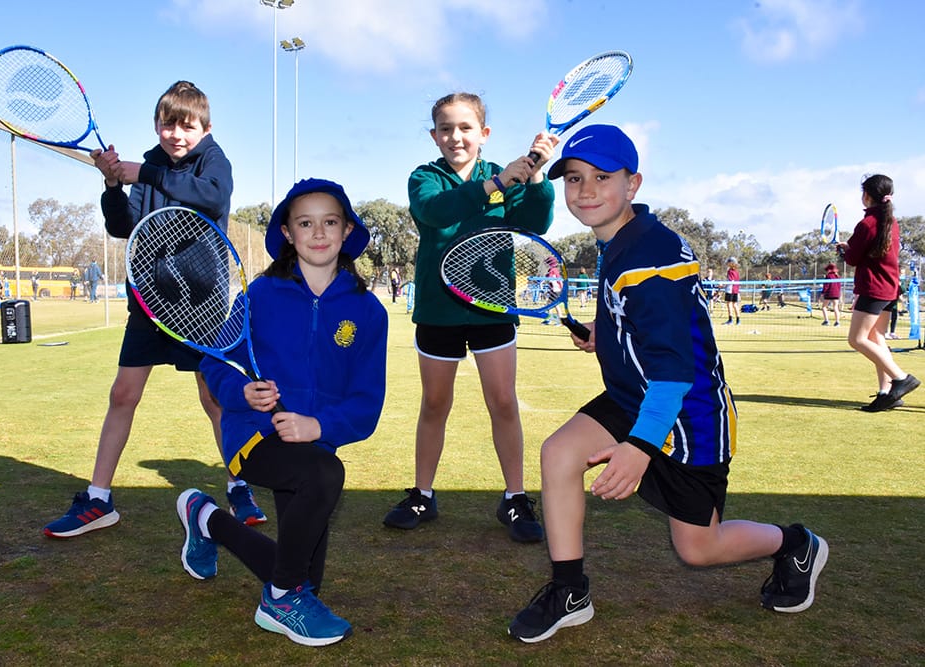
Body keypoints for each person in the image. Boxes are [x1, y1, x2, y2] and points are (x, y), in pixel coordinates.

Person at [508, 125, 828, 643]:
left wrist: (639, 448)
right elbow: (646, 321)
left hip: (689, 416)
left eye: (602, 177)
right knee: (560, 453)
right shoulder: (623, 239)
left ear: (632, 184)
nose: (585, 190)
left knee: (699, 548)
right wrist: (604, 332)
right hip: (635, 397)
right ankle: (569, 590)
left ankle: (795, 544)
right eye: (574, 178)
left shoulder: (648, 257)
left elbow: (675, 370)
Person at [44, 80, 266, 538]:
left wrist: (143, 173)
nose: (176, 135)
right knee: (122, 395)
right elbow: (123, 226)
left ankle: (238, 485)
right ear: (156, 125)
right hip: (150, 304)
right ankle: (98, 499)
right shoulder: (150, 164)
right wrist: (112, 184)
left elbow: (212, 197)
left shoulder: (213, 161)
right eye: (168, 125)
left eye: (187, 126)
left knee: (214, 398)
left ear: (205, 129)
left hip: (201, 308)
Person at [176, 178, 387, 647]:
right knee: (324, 478)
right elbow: (216, 361)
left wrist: (319, 425)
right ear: (288, 233)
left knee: (303, 577)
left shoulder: (369, 311)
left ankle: (206, 518)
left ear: (347, 230)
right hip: (254, 433)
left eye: (330, 222)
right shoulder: (261, 295)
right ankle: (279, 600)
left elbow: (367, 401)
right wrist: (242, 392)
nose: (318, 232)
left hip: (314, 444)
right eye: (305, 223)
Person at [382, 92, 558, 543]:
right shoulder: (425, 178)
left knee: (503, 402)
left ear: (484, 133)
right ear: (434, 135)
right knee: (435, 404)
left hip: (493, 309)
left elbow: (536, 223)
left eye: (465, 128)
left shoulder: (508, 175)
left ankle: (515, 498)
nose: (455, 137)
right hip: (438, 311)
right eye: (446, 128)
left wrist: (537, 176)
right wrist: (495, 184)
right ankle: (422, 494)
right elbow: (434, 212)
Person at [836, 174, 920, 412]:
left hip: (874, 287)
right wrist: (850, 248)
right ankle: (887, 393)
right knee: (876, 338)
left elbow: (853, 258)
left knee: (857, 339)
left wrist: (845, 251)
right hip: (890, 287)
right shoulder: (891, 221)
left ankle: (901, 378)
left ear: (867, 195)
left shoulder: (867, 224)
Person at [723, 257, 741, 325]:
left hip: (730, 290)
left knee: (729, 304)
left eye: (729, 262)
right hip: (736, 290)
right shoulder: (736, 271)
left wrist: (723, 285)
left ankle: (730, 320)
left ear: (731, 263)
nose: (727, 263)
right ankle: (738, 321)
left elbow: (730, 281)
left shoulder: (730, 271)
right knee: (735, 304)